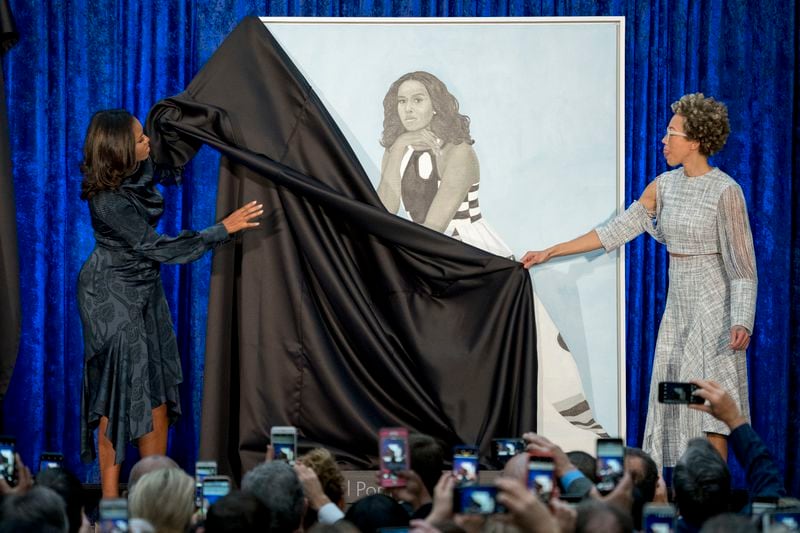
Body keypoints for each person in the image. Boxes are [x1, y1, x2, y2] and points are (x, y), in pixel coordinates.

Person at [522, 93, 757, 469]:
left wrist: (742, 319)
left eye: (672, 133)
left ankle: (712, 511)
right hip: (678, 311)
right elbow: (613, 232)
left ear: (695, 141)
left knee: (710, 415)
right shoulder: (663, 185)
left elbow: (743, 266)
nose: (664, 140)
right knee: (677, 408)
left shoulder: (725, 191)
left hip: (715, 313)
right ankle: (679, 502)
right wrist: (552, 251)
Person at [77, 109, 263, 498]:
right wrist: (221, 230)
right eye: (141, 138)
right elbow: (155, 247)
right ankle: (110, 505)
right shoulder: (107, 201)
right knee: (120, 395)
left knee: (157, 392)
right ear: (121, 150)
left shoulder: (137, 171)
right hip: (110, 297)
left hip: (145, 292)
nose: (148, 142)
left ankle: (150, 496)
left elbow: (168, 154)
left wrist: (202, 114)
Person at [377, 71, 512, 258]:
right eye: (402, 101)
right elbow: (384, 210)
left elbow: (434, 228)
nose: (408, 108)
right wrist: (399, 146)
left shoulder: (458, 152)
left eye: (417, 100)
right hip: (423, 248)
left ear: (435, 106)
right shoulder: (396, 149)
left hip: (471, 252)